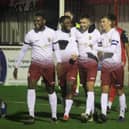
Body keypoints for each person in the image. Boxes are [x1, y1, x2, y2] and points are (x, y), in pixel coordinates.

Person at [13, 12, 57, 124]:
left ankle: (54, 116)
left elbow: (57, 49)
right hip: (35, 65)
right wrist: (16, 65)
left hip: (49, 66)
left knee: (50, 90)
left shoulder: (52, 33)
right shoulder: (30, 34)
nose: (36, 23)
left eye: (38, 21)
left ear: (44, 21)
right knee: (31, 86)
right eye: (35, 21)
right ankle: (31, 115)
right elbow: (23, 50)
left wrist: (60, 62)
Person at [97, 14, 126, 122]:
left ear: (110, 22)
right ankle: (103, 114)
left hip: (116, 66)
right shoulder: (101, 35)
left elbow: (112, 50)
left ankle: (122, 114)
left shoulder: (115, 34)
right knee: (104, 89)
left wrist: (100, 50)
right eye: (101, 22)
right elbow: (99, 52)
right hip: (105, 66)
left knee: (119, 90)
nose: (102, 24)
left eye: (104, 21)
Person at [74, 15, 100, 122]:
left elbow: (101, 45)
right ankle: (93, 113)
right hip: (80, 62)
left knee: (90, 86)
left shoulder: (95, 32)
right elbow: (73, 44)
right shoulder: (76, 32)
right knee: (85, 87)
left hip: (92, 62)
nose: (82, 25)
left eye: (85, 23)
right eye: (81, 23)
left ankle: (87, 113)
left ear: (89, 22)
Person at [53, 16, 78, 121]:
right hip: (61, 65)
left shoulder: (74, 32)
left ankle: (66, 114)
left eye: (70, 22)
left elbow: (76, 47)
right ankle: (65, 110)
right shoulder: (56, 34)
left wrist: (76, 54)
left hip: (73, 64)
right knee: (63, 90)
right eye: (66, 22)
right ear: (61, 23)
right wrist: (58, 62)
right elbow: (56, 49)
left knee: (69, 86)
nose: (69, 24)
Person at [107, 14, 129, 112]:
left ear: (112, 22)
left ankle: (109, 104)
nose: (104, 23)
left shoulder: (121, 32)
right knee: (112, 82)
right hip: (109, 61)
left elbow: (127, 46)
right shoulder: (105, 33)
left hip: (119, 61)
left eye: (106, 21)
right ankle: (122, 105)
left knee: (115, 83)